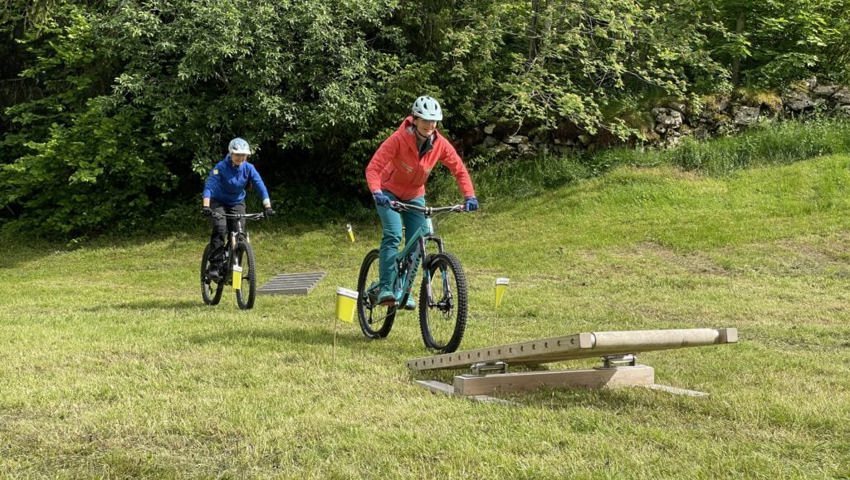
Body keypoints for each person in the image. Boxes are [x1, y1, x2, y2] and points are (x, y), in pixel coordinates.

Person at [365, 95, 479, 308]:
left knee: (420, 240)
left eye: (434, 121)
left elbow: (459, 170)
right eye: (425, 120)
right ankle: (386, 287)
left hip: (415, 195)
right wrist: (377, 192)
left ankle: (404, 290)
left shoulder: (440, 144)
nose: (430, 125)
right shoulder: (398, 139)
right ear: (415, 119)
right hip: (388, 193)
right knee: (393, 234)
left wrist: (469, 196)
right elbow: (373, 168)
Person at [202, 137, 274, 281]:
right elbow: (209, 186)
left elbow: (260, 186)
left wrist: (267, 206)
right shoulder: (220, 167)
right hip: (218, 202)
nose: (241, 158)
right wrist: (206, 205)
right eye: (237, 155)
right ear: (231, 153)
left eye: (243, 155)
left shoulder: (249, 168)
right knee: (220, 227)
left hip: (237, 202)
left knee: (240, 233)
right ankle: (215, 266)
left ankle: (236, 268)